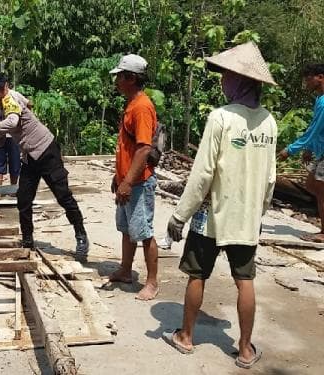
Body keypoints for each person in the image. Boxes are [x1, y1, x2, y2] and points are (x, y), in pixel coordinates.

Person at [163, 42, 277, 369]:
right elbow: (269, 179)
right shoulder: (268, 123)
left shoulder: (221, 118)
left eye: (227, 75)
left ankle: (186, 337)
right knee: (245, 281)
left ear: (240, 79)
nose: (223, 80)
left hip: (212, 217)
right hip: (246, 220)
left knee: (197, 275)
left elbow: (202, 175)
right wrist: (259, 212)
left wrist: (179, 215)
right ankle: (244, 349)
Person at [0, 72, 90, 262]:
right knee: (24, 199)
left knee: (63, 195)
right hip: (29, 155)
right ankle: (27, 239)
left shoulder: (11, 99)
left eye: (0, 88)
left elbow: (12, 122)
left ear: (6, 86)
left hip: (46, 150)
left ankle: (81, 236)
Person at [107, 54, 159, 301]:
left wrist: (128, 181)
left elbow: (143, 148)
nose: (116, 81)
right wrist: (119, 177)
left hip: (138, 183)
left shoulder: (141, 107)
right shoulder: (131, 104)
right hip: (127, 180)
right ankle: (126, 270)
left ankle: (151, 282)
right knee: (126, 229)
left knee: (144, 231)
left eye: (120, 77)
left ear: (131, 78)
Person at [278, 63, 324, 242]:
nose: (306, 84)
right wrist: (309, 148)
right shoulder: (319, 100)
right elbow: (319, 130)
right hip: (321, 152)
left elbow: (313, 130)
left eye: (308, 79)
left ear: (320, 77)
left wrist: (290, 150)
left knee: (319, 190)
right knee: (312, 185)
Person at [0, 88, 30, 185]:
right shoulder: (15, 94)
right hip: (12, 135)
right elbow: (29, 104)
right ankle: (13, 189)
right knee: (14, 161)